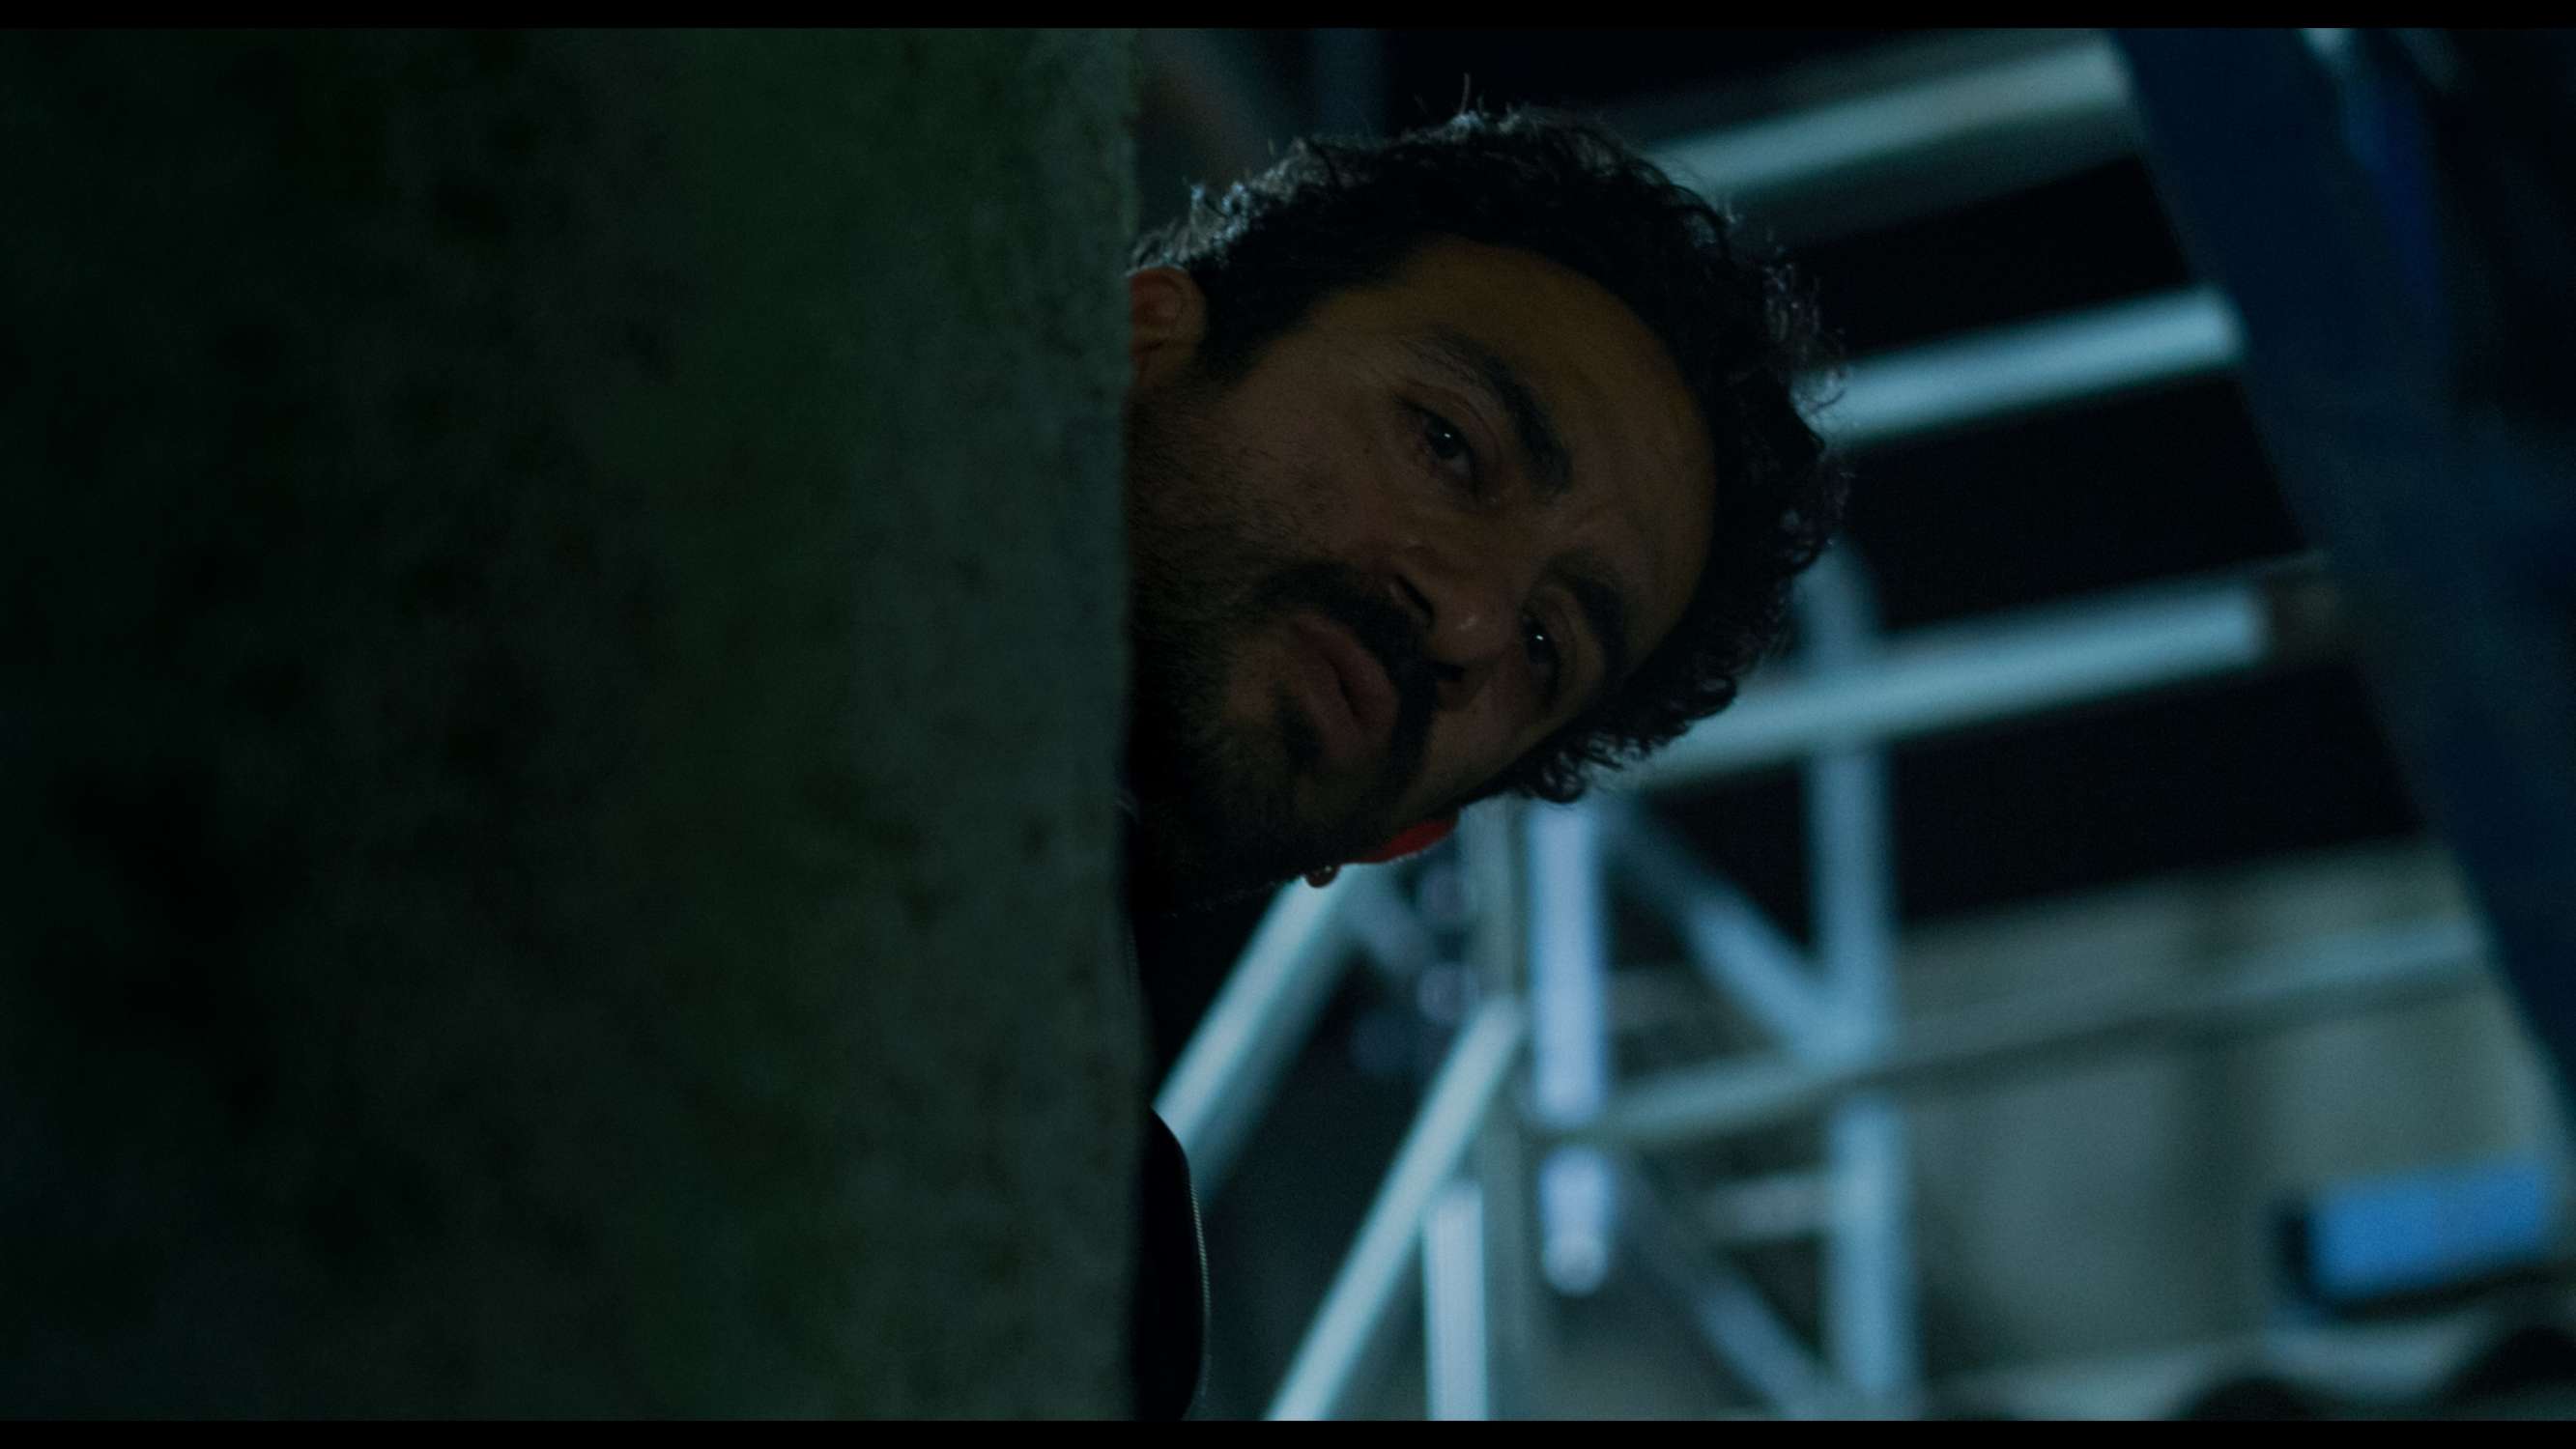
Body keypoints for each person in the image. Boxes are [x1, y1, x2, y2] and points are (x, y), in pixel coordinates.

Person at [1114, 105, 1846, 1418]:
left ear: (1405, 831)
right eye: (1448, 446)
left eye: (1546, 646)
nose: (1461, 621)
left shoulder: (1113, 1276)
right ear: (1138, 337)